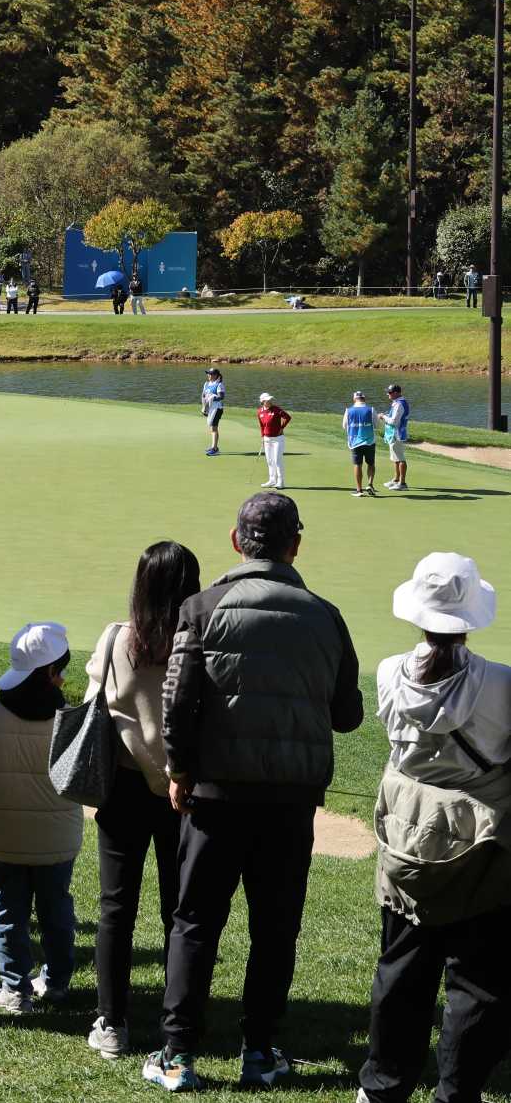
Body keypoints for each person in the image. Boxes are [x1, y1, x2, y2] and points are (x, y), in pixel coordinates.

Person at [145, 490, 363, 1094]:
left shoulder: (203, 606)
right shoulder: (327, 615)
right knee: (275, 928)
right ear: (295, 544)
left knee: (194, 923)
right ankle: (260, 1050)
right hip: (290, 801)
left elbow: (177, 703)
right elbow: (348, 714)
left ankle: (178, 1054)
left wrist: (179, 770)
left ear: (237, 541)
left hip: (215, 797)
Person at [359, 551, 511, 1103]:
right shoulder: (502, 684)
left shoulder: (387, 672)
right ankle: (458, 1092)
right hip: (482, 847)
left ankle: (383, 1086)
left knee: (401, 967)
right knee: (475, 981)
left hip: (409, 838)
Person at [86, 542, 197, 1061]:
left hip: (124, 786)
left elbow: (92, 706)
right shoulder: (200, 643)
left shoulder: (114, 639)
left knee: (116, 909)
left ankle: (112, 1021)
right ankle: (180, 1020)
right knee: (181, 911)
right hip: (185, 791)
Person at [0, 620, 80, 1015]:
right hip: (57, 838)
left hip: (4, 838)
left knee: (8, 911)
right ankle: (57, 981)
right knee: (56, 909)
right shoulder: (70, 720)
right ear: (49, 673)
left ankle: (15, 988)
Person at [345, 388, 380, 498]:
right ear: (364, 399)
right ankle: (370, 484)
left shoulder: (348, 410)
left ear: (354, 399)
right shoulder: (371, 409)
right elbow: (377, 425)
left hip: (355, 442)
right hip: (369, 441)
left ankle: (359, 490)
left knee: (357, 465)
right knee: (370, 464)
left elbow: (344, 426)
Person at [383, 382, 413, 492]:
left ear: (396, 393)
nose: (388, 394)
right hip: (393, 434)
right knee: (395, 458)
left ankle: (402, 483)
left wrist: (383, 417)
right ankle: (396, 480)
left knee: (400, 459)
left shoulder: (399, 404)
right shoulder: (397, 402)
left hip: (397, 434)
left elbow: (394, 421)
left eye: (389, 392)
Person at [256, 394, 289, 490]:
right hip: (267, 439)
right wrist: (262, 437)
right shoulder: (260, 412)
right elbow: (262, 426)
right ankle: (272, 480)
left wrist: (282, 427)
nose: (270, 401)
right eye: (267, 400)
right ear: (262, 401)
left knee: (277, 460)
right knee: (269, 461)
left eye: (270, 400)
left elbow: (287, 417)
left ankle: (280, 482)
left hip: (278, 439)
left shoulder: (276, 409)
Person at [199, 368, 225, 457]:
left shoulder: (219, 384)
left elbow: (221, 397)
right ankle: (214, 447)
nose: (209, 375)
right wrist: (204, 408)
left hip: (217, 409)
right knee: (212, 428)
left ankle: (215, 449)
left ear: (215, 375)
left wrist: (213, 397)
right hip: (210, 409)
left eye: (211, 374)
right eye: (208, 374)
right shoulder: (206, 384)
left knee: (214, 428)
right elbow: (203, 396)